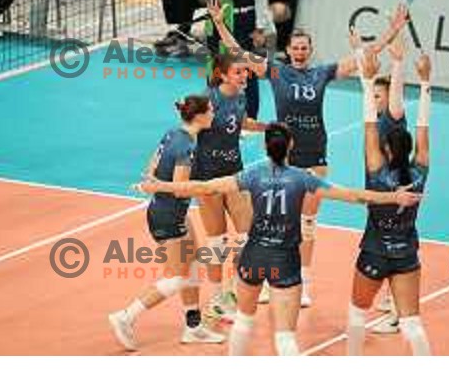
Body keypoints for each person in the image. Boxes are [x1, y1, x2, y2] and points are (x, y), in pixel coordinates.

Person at [136, 123, 421, 356]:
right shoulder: (303, 178)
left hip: (253, 256)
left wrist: (162, 185)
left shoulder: (251, 175)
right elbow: (354, 196)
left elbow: (204, 187)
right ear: (291, 147)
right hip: (284, 260)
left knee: (244, 323)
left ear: (265, 147)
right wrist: (393, 196)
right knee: (285, 336)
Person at [209, 0, 409, 307]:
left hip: (315, 154)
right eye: (296, 48)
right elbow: (239, 54)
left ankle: (302, 282)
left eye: (305, 48)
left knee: (306, 224)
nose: (300, 52)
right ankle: (263, 277)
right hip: (283, 156)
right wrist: (220, 24)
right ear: (288, 49)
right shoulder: (276, 72)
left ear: (310, 51)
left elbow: (363, 59)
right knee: (270, 219)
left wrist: (392, 31)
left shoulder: (321, 74)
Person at [108, 95, 226, 351]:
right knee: (180, 278)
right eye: (211, 110)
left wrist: (154, 184)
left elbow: (150, 168)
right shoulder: (186, 147)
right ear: (200, 116)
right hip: (168, 216)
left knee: (193, 265)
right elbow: (180, 189)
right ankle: (125, 316)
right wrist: (208, 189)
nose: (214, 112)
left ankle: (193, 327)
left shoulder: (173, 133)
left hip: (171, 212)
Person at [347, 48, 432, 356]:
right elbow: (423, 129)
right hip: (406, 252)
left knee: (357, 314)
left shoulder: (376, 171)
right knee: (412, 324)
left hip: (374, 250)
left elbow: (370, 123)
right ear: (410, 148)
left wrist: (367, 79)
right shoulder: (420, 170)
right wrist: (425, 83)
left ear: (385, 147)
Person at [193, 50, 267, 324]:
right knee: (217, 242)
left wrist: (266, 127)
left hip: (234, 172)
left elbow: (242, 123)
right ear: (222, 74)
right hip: (207, 177)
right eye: (238, 72)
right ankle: (216, 299)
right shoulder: (208, 99)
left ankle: (234, 291)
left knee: (250, 234)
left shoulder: (240, 95)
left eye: (245, 71)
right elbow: (189, 131)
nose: (244, 75)